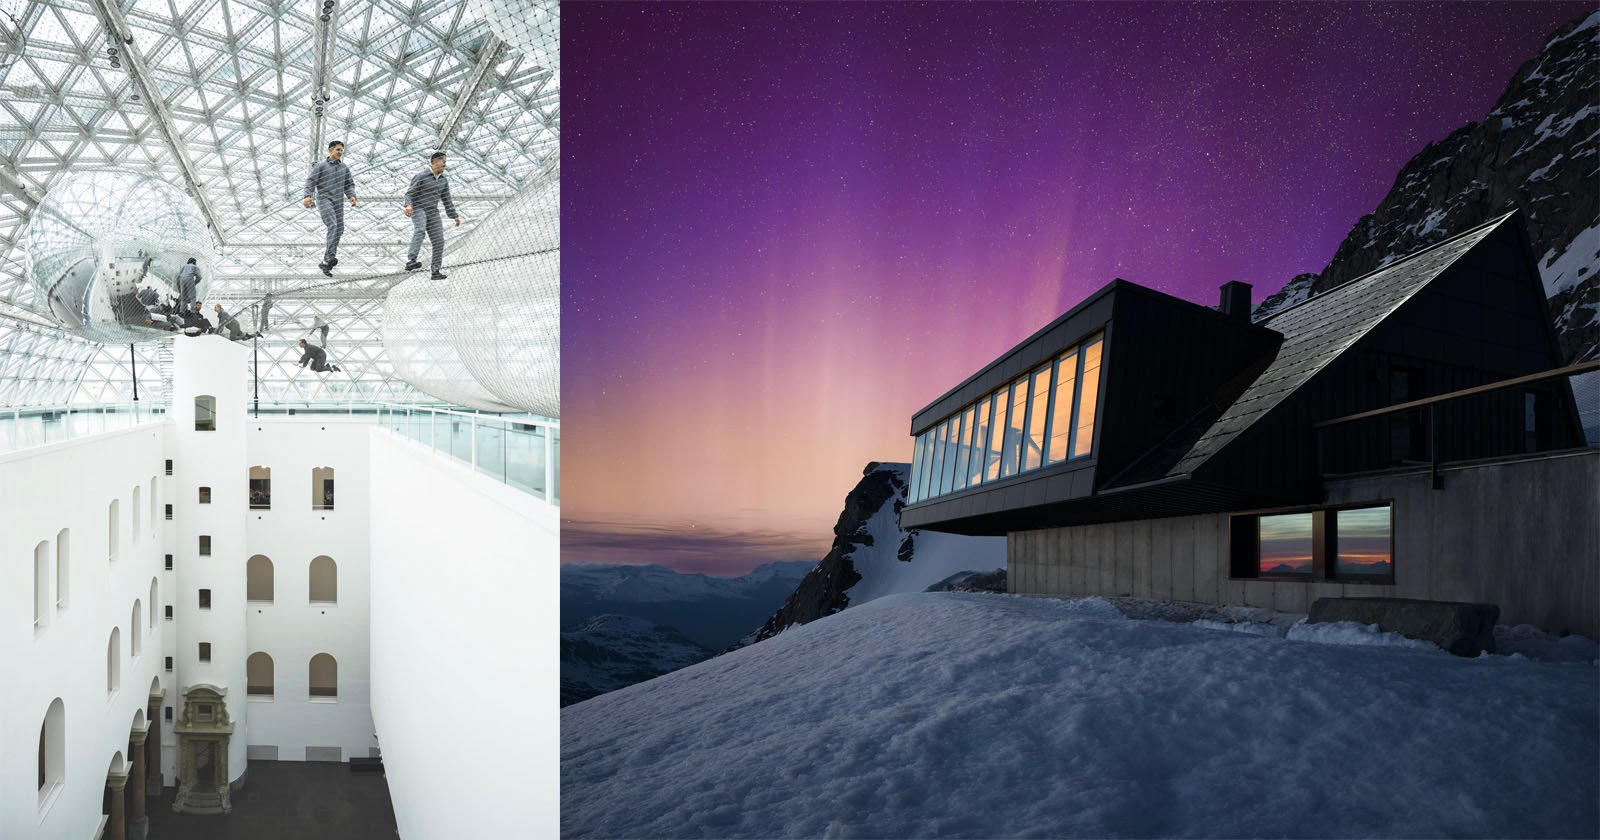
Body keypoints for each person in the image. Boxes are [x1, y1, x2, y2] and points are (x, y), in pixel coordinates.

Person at [403, 151, 462, 280]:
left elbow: (447, 200)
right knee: (420, 229)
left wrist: (454, 215)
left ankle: (435, 271)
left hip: (433, 212)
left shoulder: (443, 181)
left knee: (439, 241)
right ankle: (411, 260)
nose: (445, 165)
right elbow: (409, 194)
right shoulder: (421, 176)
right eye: (443, 162)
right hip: (418, 209)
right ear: (435, 162)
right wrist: (408, 205)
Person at [302, 140, 357, 277]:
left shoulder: (344, 168)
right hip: (325, 199)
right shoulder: (321, 166)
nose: (340, 153)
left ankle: (327, 261)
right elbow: (311, 181)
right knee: (333, 225)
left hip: (338, 201)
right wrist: (307, 195)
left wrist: (352, 195)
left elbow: (349, 184)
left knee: (340, 229)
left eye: (341, 151)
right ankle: (329, 258)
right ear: (330, 150)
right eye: (338, 150)